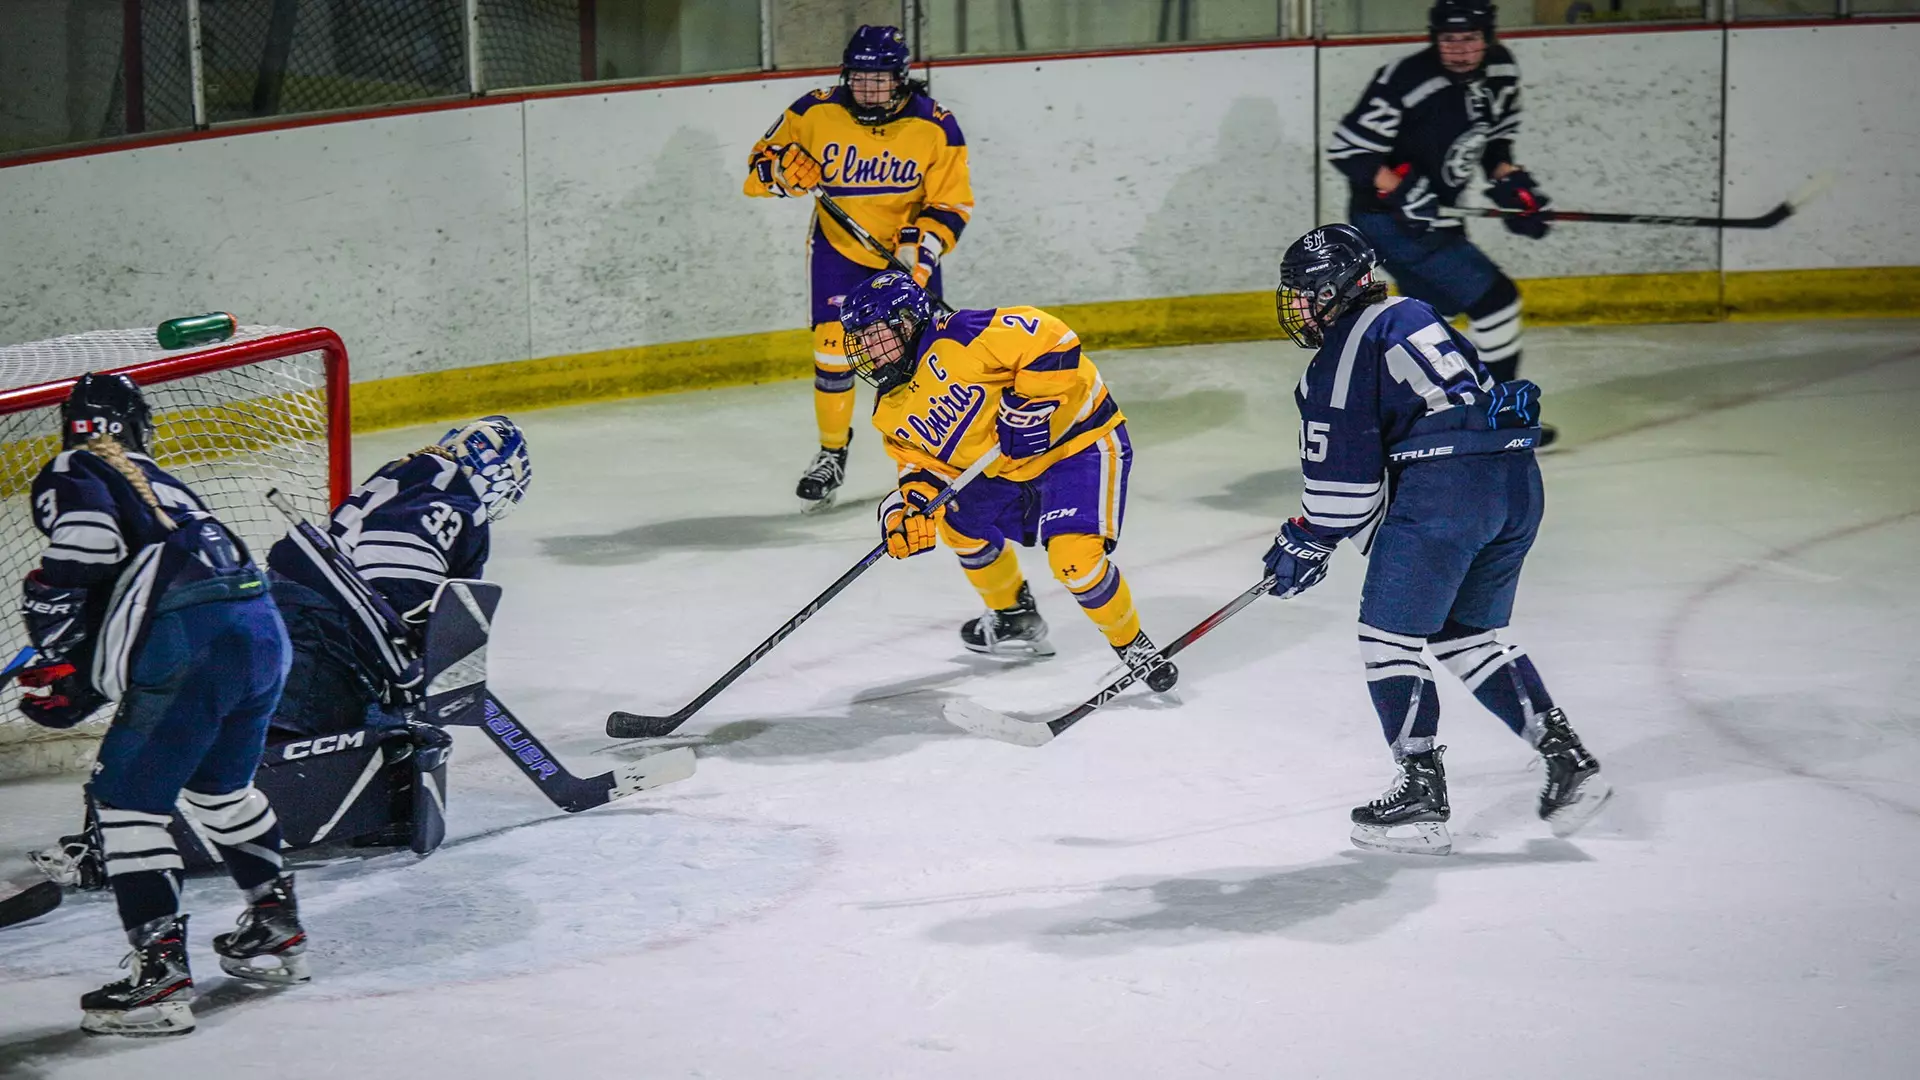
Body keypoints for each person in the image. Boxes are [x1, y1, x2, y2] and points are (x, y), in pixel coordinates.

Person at [1261, 224, 1608, 856]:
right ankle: (1567, 756)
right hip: (1515, 481)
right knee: (1464, 633)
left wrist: (1304, 539)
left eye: (1306, 293)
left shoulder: (1339, 359)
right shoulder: (1413, 312)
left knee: (1386, 640)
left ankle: (1420, 796)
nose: (1301, 307)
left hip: (1448, 492)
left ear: (1334, 290)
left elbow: (1346, 493)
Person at [15, 373, 306, 1037]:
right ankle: (278, 925)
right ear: (139, 425)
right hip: (262, 633)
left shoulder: (75, 464)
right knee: (220, 794)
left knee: (125, 803)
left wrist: (51, 626)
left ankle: (161, 981)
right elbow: (146, 580)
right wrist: (84, 668)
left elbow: (87, 546)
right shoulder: (159, 479)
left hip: (194, 641)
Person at [837, 271, 1177, 692]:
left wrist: (1029, 407)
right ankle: (1014, 616)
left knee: (1075, 562)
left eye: (874, 335)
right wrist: (908, 508)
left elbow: (1055, 339)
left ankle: (1132, 646)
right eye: (860, 341)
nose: (867, 351)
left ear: (906, 322)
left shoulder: (963, 334)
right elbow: (922, 467)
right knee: (959, 527)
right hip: (1008, 470)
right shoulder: (890, 409)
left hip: (1077, 444)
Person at [744, 24, 974, 511]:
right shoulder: (813, 111)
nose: (869, 89)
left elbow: (953, 204)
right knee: (832, 350)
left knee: (916, 356)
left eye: (881, 79)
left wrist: (923, 246)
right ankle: (831, 454)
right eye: (860, 78)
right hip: (838, 249)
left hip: (906, 253)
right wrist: (783, 172)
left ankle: (934, 457)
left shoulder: (936, 125)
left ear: (902, 77)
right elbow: (758, 168)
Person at [1327, 0, 1556, 444]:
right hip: (1387, 220)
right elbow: (1349, 149)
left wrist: (1512, 187)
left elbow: (1493, 145)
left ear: (1488, 37)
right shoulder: (1408, 79)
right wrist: (1398, 188)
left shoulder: (1501, 72)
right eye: (1449, 39)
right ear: (1435, 39)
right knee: (1497, 302)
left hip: (1436, 216)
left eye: (1470, 38)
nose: (1460, 50)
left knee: (1435, 323)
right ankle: (1500, 417)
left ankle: (1411, 421)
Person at [264, 416, 529, 740]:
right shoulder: (457, 497)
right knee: (303, 733)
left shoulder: (412, 470)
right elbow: (394, 572)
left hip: (296, 597)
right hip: (323, 617)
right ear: (495, 474)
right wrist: (417, 630)